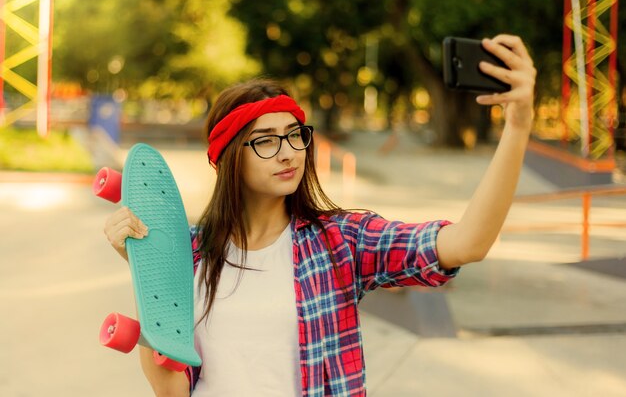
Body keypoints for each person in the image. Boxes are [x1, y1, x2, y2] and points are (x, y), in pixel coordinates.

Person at [104, 34, 536, 396]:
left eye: (295, 135)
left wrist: (517, 127)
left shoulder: (341, 242)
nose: (289, 152)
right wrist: (149, 278)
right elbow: (174, 391)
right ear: (228, 157)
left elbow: (467, 243)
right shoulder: (191, 251)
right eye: (266, 141)